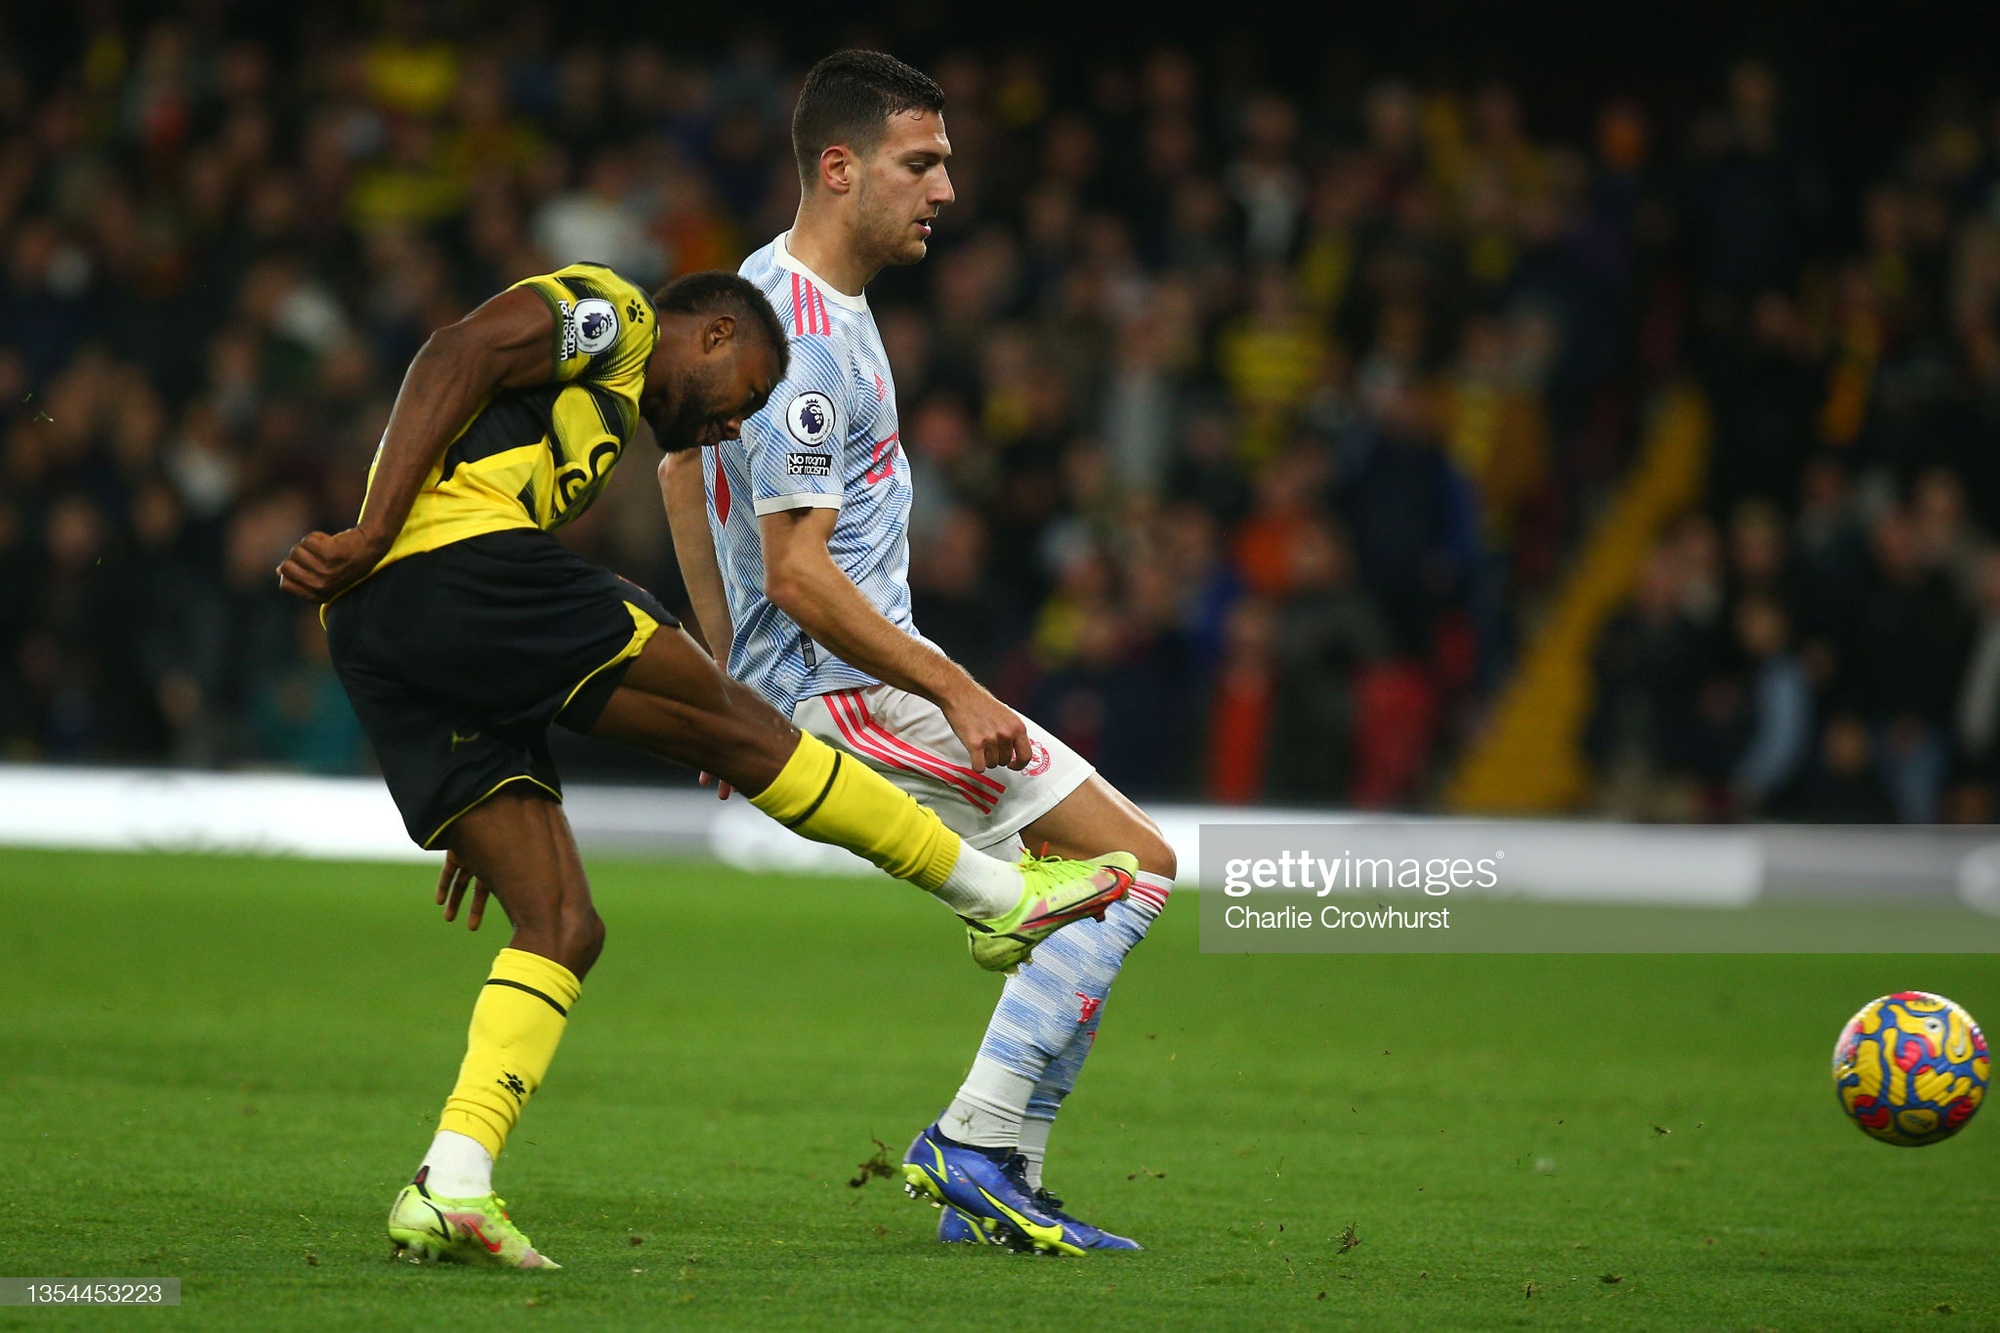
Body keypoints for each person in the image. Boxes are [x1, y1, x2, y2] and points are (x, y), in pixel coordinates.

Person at [276, 262, 1133, 1269]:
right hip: (440, 568)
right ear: (716, 334)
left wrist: (488, 736)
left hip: (389, 632)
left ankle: (450, 1182)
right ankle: (993, 894)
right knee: (742, 725)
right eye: (748, 397)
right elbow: (455, 350)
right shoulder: (621, 316)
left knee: (560, 922)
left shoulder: (587, 432)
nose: (735, 427)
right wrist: (373, 529)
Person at [662, 51, 1176, 1256]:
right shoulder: (803, 343)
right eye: (921, 161)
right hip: (857, 694)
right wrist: (947, 682)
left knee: (1090, 890)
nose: (945, 186)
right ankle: (978, 1147)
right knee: (1134, 871)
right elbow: (796, 570)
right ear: (838, 170)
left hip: (818, 689)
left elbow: (680, 469)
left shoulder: (755, 293)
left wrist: (730, 685)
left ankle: (998, 1189)